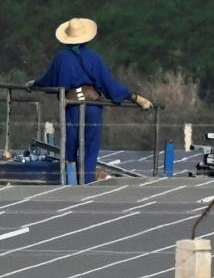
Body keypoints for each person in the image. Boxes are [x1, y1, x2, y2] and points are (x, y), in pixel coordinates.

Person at [27, 17, 153, 184]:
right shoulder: (94, 57)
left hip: (72, 106)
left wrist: (34, 84)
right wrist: (135, 97)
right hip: (93, 106)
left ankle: (69, 181)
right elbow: (109, 83)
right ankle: (86, 182)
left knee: (70, 146)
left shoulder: (61, 58)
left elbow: (48, 80)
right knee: (91, 147)